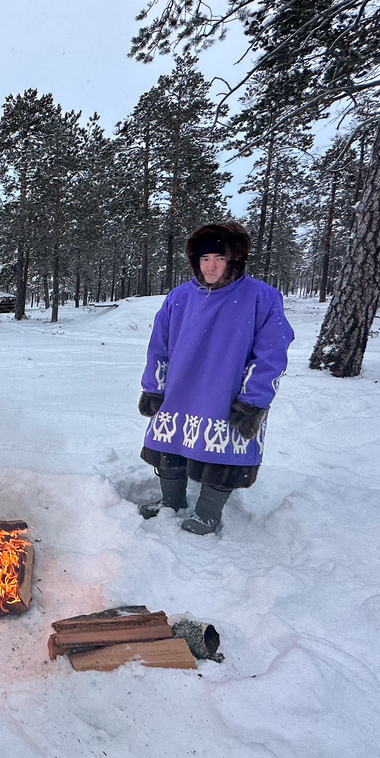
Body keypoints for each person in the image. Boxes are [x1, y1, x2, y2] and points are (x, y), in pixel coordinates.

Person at [137, 222, 294, 535]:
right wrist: (154, 387)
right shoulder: (179, 297)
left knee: (223, 452)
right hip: (181, 389)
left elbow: (271, 355)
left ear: (234, 261)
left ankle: (208, 514)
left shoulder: (261, 297)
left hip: (226, 393)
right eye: (205, 258)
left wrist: (252, 402)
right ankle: (172, 503)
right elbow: (159, 346)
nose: (211, 266)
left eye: (219, 259)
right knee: (169, 445)